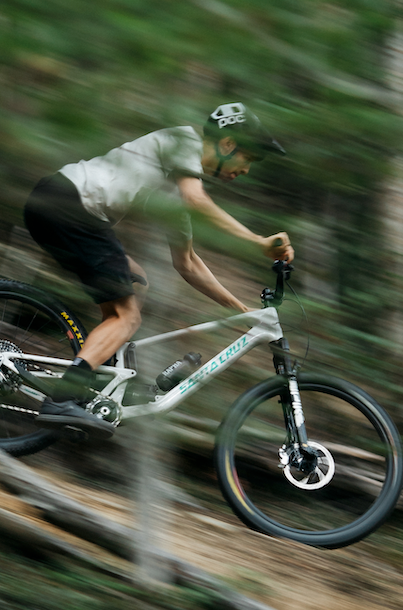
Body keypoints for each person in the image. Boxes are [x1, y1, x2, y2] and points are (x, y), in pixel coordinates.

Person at [22, 102, 294, 439]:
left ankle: (100, 380)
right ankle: (64, 397)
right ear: (227, 144)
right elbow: (198, 200)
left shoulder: (177, 193)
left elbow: (188, 264)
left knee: (138, 282)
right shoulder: (184, 142)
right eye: (248, 159)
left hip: (59, 207)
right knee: (127, 318)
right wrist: (257, 242)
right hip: (72, 205)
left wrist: (242, 311)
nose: (247, 170)